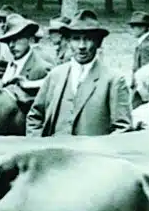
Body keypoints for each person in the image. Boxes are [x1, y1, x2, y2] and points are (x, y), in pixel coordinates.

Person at [25, 9, 132, 137]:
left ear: (98, 43)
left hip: (92, 155)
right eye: (76, 39)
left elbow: (123, 129)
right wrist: (39, 147)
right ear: (69, 42)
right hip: (55, 154)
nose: (81, 46)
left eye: (88, 39)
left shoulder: (113, 80)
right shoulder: (56, 75)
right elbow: (35, 117)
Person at [0, 14, 53, 87]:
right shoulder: (10, 65)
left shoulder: (41, 69)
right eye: (8, 41)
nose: (11, 45)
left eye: (16, 39)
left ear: (29, 39)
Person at [127, 11, 149, 109]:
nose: (132, 30)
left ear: (143, 28)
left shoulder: (148, 45)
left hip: (144, 89)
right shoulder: (145, 43)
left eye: (134, 27)